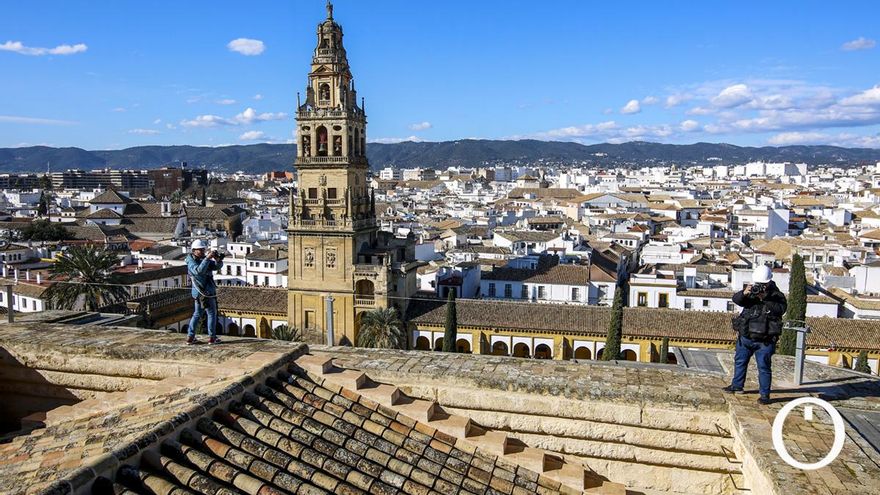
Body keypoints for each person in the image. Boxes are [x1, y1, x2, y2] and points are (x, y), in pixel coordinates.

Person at [723, 265, 787, 404]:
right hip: (746, 336)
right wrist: (744, 293)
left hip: (765, 340)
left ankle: (765, 395)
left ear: (769, 282)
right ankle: (737, 385)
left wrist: (765, 298)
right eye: (759, 284)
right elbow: (736, 300)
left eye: (763, 284)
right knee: (740, 361)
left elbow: (781, 309)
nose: (761, 286)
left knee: (764, 367)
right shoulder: (751, 292)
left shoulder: (777, 295)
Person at [186, 239, 224, 345]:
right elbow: (199, 271)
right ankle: (212, 337)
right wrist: (207, 258)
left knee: (198, 314)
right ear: (194, 250)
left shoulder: (201, 259)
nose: (202, 252)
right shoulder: (191, 261)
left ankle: (190, 336)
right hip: (202, 292)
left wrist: (218, 260)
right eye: (200, 250)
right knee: (210, 313)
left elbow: (216, 267)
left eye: (203, 250)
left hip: (204, 291)